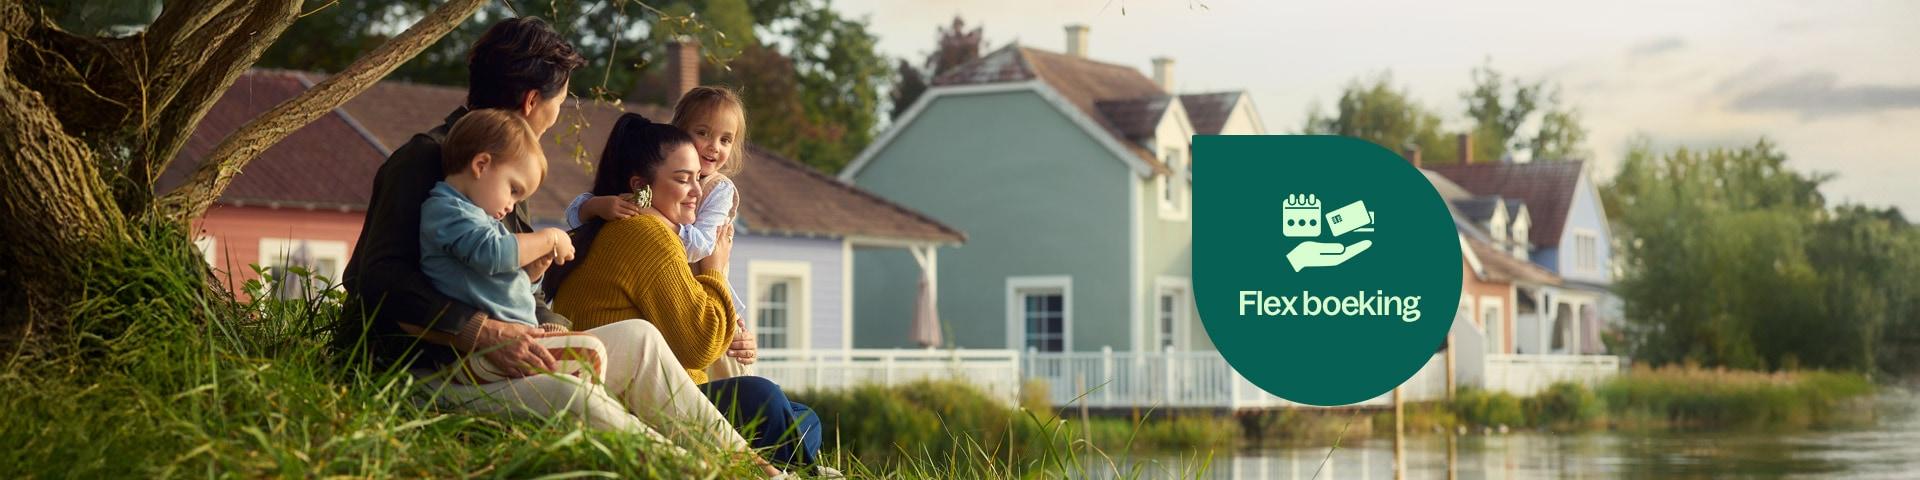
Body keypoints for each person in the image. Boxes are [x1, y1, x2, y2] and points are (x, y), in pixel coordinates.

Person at [336, 17, 782, 476]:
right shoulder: (429, 159)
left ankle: (752, 467)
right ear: (532, 102)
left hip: (501, 354)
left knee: (639, 338)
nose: (557, 116)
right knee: (572, 395)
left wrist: (549, 326)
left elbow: (512, 284)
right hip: (431, 369)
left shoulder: (509, 171)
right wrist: (481, 331)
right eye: (560, 103)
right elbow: (373, 278)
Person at [548, 113, 823, 470]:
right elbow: (699, 346)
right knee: (763, 397)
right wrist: (714, 269)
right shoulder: (645, 233)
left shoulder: (604, 227)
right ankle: (789, 469)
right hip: (638, 404)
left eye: (697, 178)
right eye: (682, 180)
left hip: (646, 394)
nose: (697, 192)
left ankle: (785, 467)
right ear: (640, 186)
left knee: (801, 416)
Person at [563, 86, 756, 379]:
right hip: (678, 299)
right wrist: (598, 205)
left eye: (725, 139)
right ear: (678, 132)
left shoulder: (719, 188)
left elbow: (703, 246)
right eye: (703, 133)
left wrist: (651, 213)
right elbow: (574, 215)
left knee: (742, 384)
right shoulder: (641, 204)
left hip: (707, 292)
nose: (714, 146)